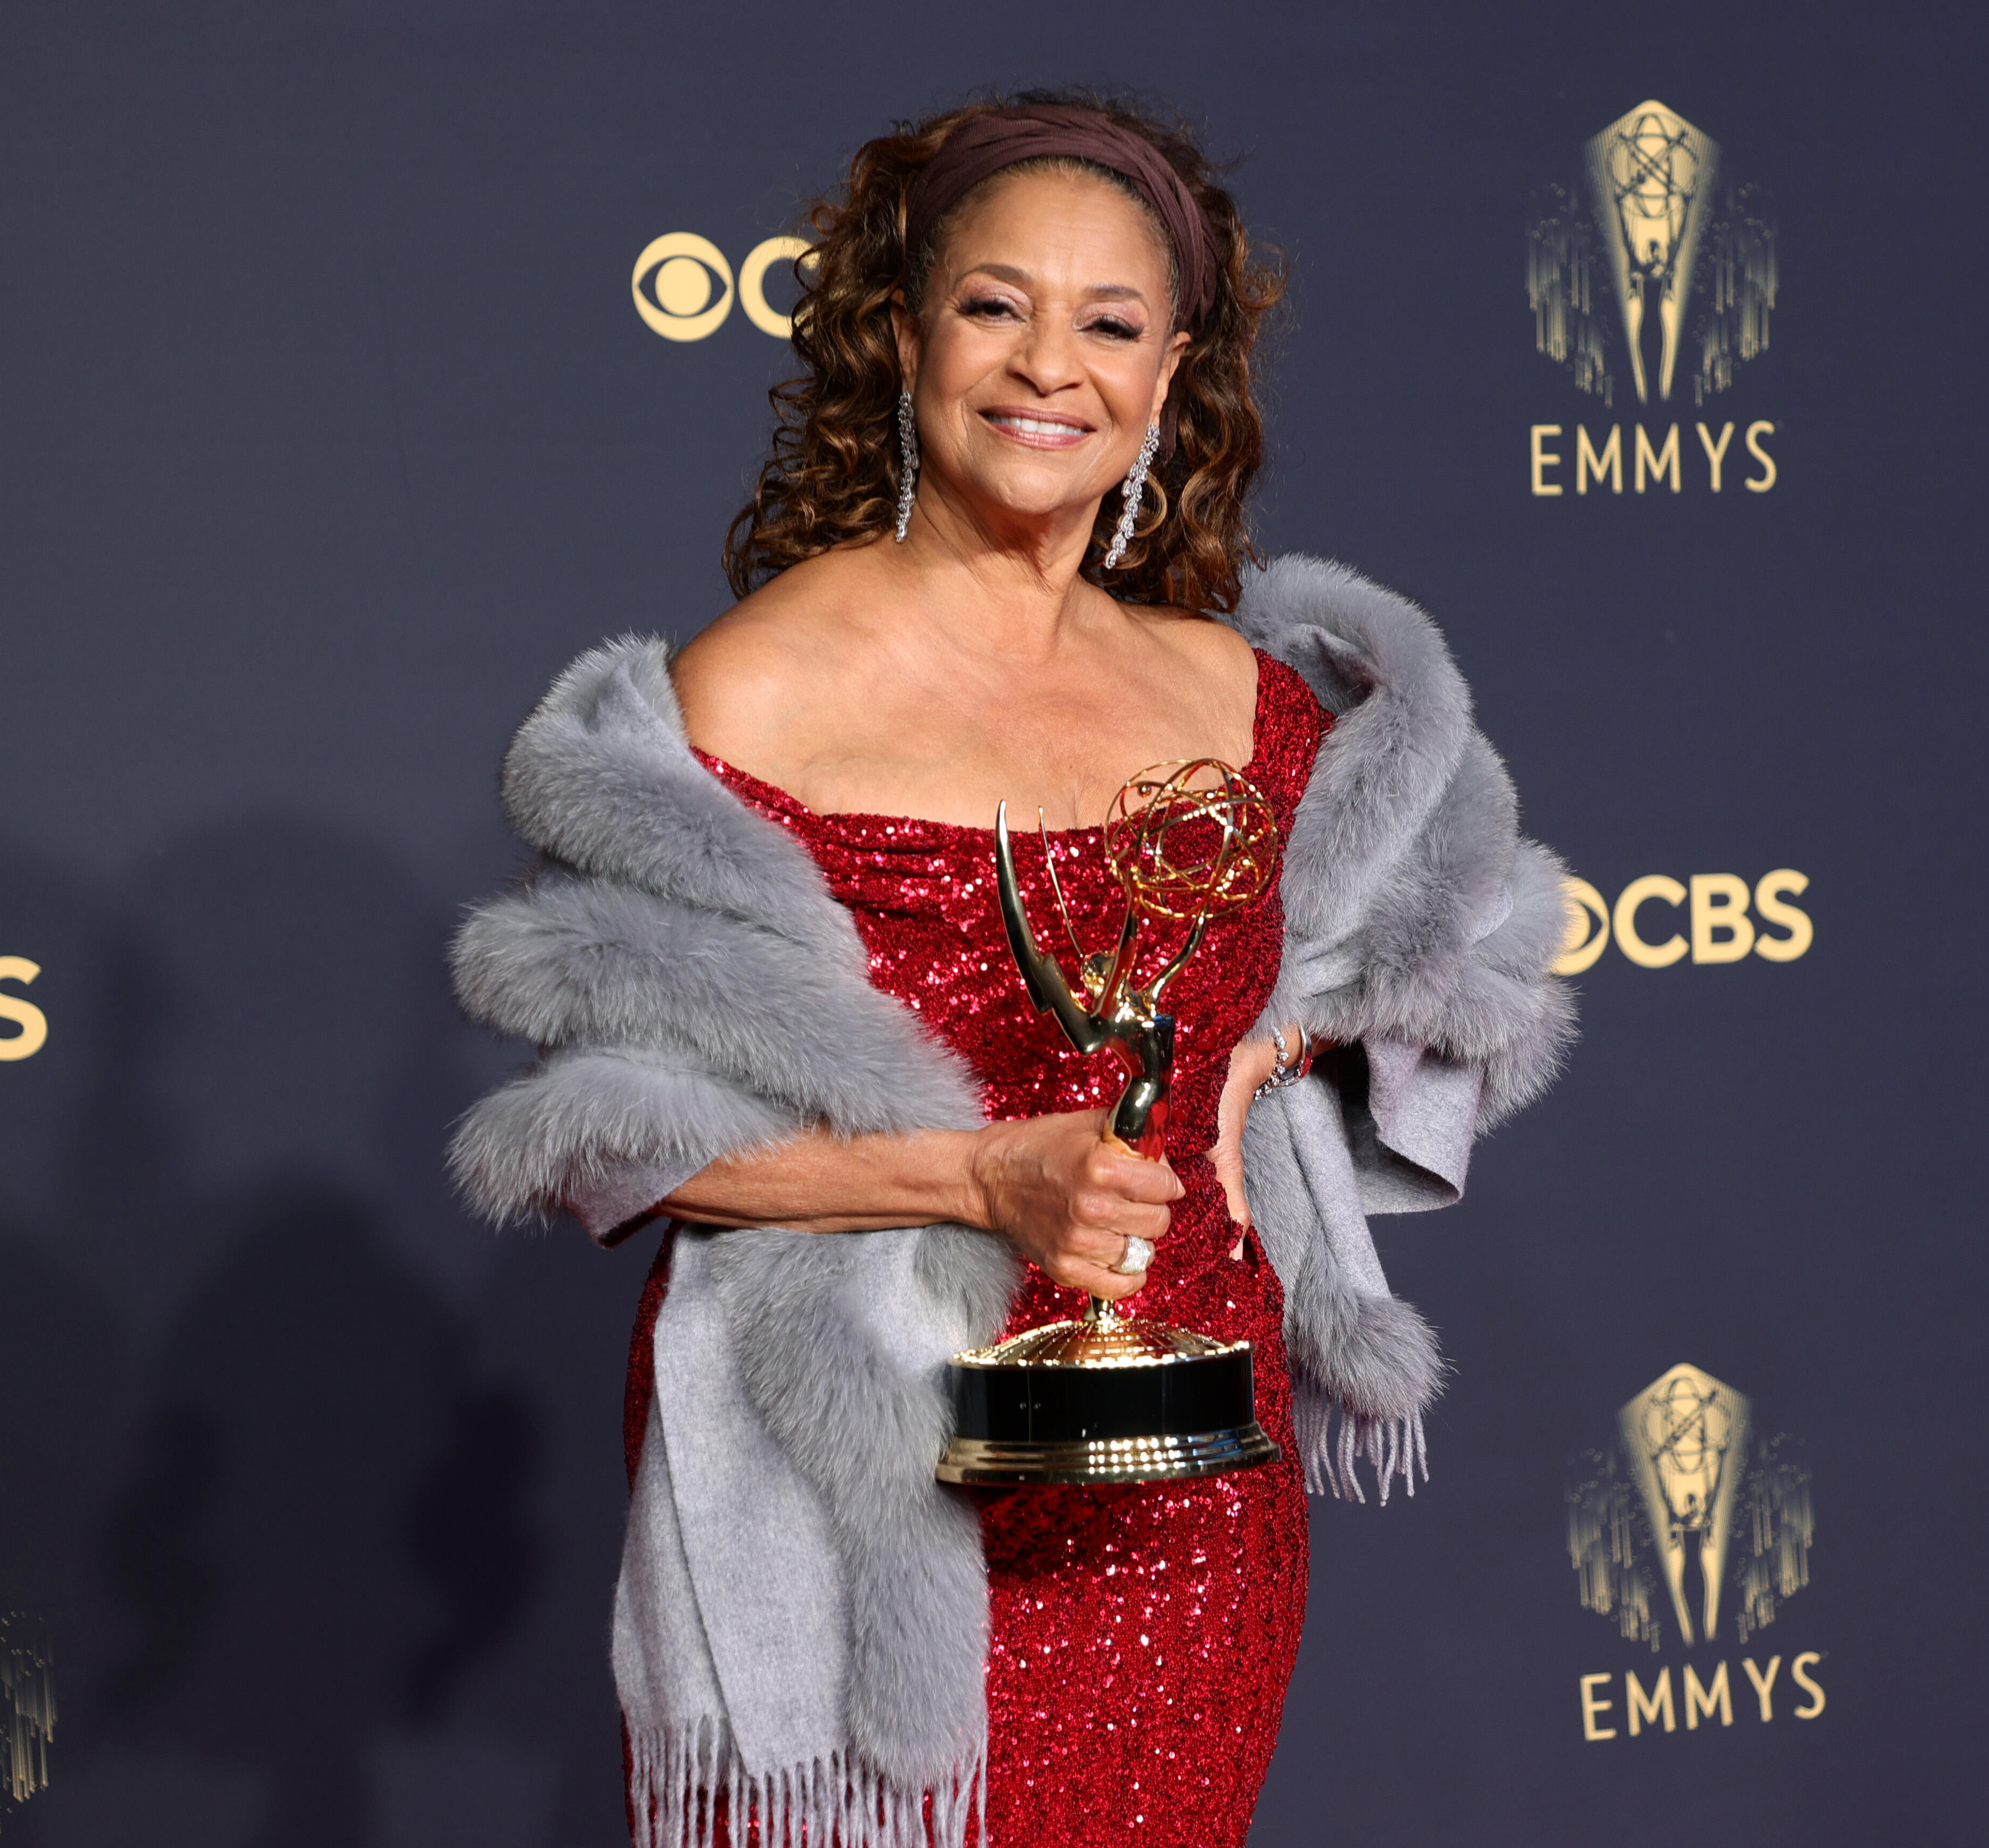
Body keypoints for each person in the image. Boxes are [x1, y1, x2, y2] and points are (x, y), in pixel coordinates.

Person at [449, 93, 1576, 1847]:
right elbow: (615, 1139)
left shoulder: (1240, 697)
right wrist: (977, 1175)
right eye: (995, 306)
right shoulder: (747, 694)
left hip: (1184, 1509)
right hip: (855, 1493)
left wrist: (1262, 1056)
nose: (1050, 365)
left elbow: (1466, 945)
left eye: (1110, 324)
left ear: (1170, 372)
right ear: (906, 337)